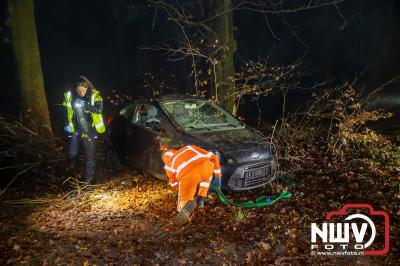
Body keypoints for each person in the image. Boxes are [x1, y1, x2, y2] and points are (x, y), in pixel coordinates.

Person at [160, 143, 222, 226]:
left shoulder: (168, 166)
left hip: (188, 176)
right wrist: (217, 175)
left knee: (183, 199)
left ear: (164, 159)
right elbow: (212, 156)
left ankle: (186, 212)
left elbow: (173, 184)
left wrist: (182, 189)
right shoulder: (189, 147)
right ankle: (200, 199)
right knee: (206, 177)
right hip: (206, 168)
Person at [62, 76, 105, 183]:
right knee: (72, 153)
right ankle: (71, 168)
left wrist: (87, 106)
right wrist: (67, 124)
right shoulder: (71, 97)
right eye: (79, 91)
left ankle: (88, 179)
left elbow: (99, 109)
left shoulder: (95, 96)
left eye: (83, 90)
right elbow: (66, 112)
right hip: (76, 130)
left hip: (90, 131)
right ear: (75, 90)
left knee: (89, 156)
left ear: (87, 88)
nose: (81, 93)